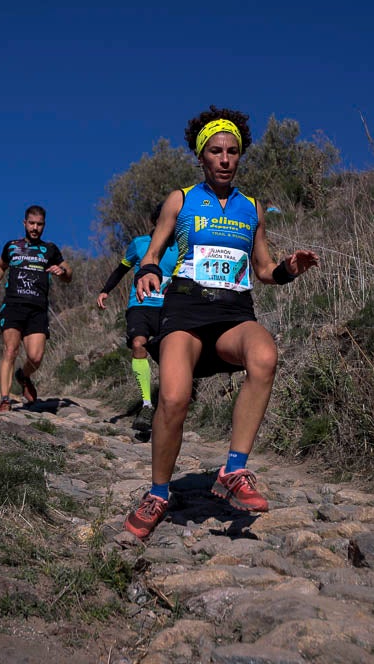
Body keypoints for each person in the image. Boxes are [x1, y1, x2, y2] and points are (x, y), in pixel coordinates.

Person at [123, 107, 320, 540]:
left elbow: (264, 270)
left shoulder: (252, 208)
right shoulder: (181, 199)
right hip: (186, 310)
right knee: (174, 399)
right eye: (216, 151)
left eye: (233, 151)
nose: (226, 159)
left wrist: (288, 267)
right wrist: (148, 271)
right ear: (202, 157)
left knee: (265, 355)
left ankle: (233, 470)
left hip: (233, 311)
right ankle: (158, 494)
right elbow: (153, 252)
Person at [96, 203, 179, 437]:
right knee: (138, 344)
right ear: (156, 222)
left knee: (170, 354)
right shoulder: (140, 244)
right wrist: (105, 290)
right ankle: (146, 405)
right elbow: (122, 268)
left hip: (169, 308)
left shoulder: (181, 246)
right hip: (140, 305)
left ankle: (169, 404)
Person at [0, 205, 72, 412]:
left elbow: (69, 274)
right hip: (13, 305)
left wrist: (62, 271)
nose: (35, 228)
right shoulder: (12, 246)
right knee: (10, 350)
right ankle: (5, 399)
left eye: (39, 224)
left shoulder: (50, 249)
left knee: (35, 357)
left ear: (44, 225)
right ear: (24, 223)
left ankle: (23, 376)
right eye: (31, 223)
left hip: (38, 309)